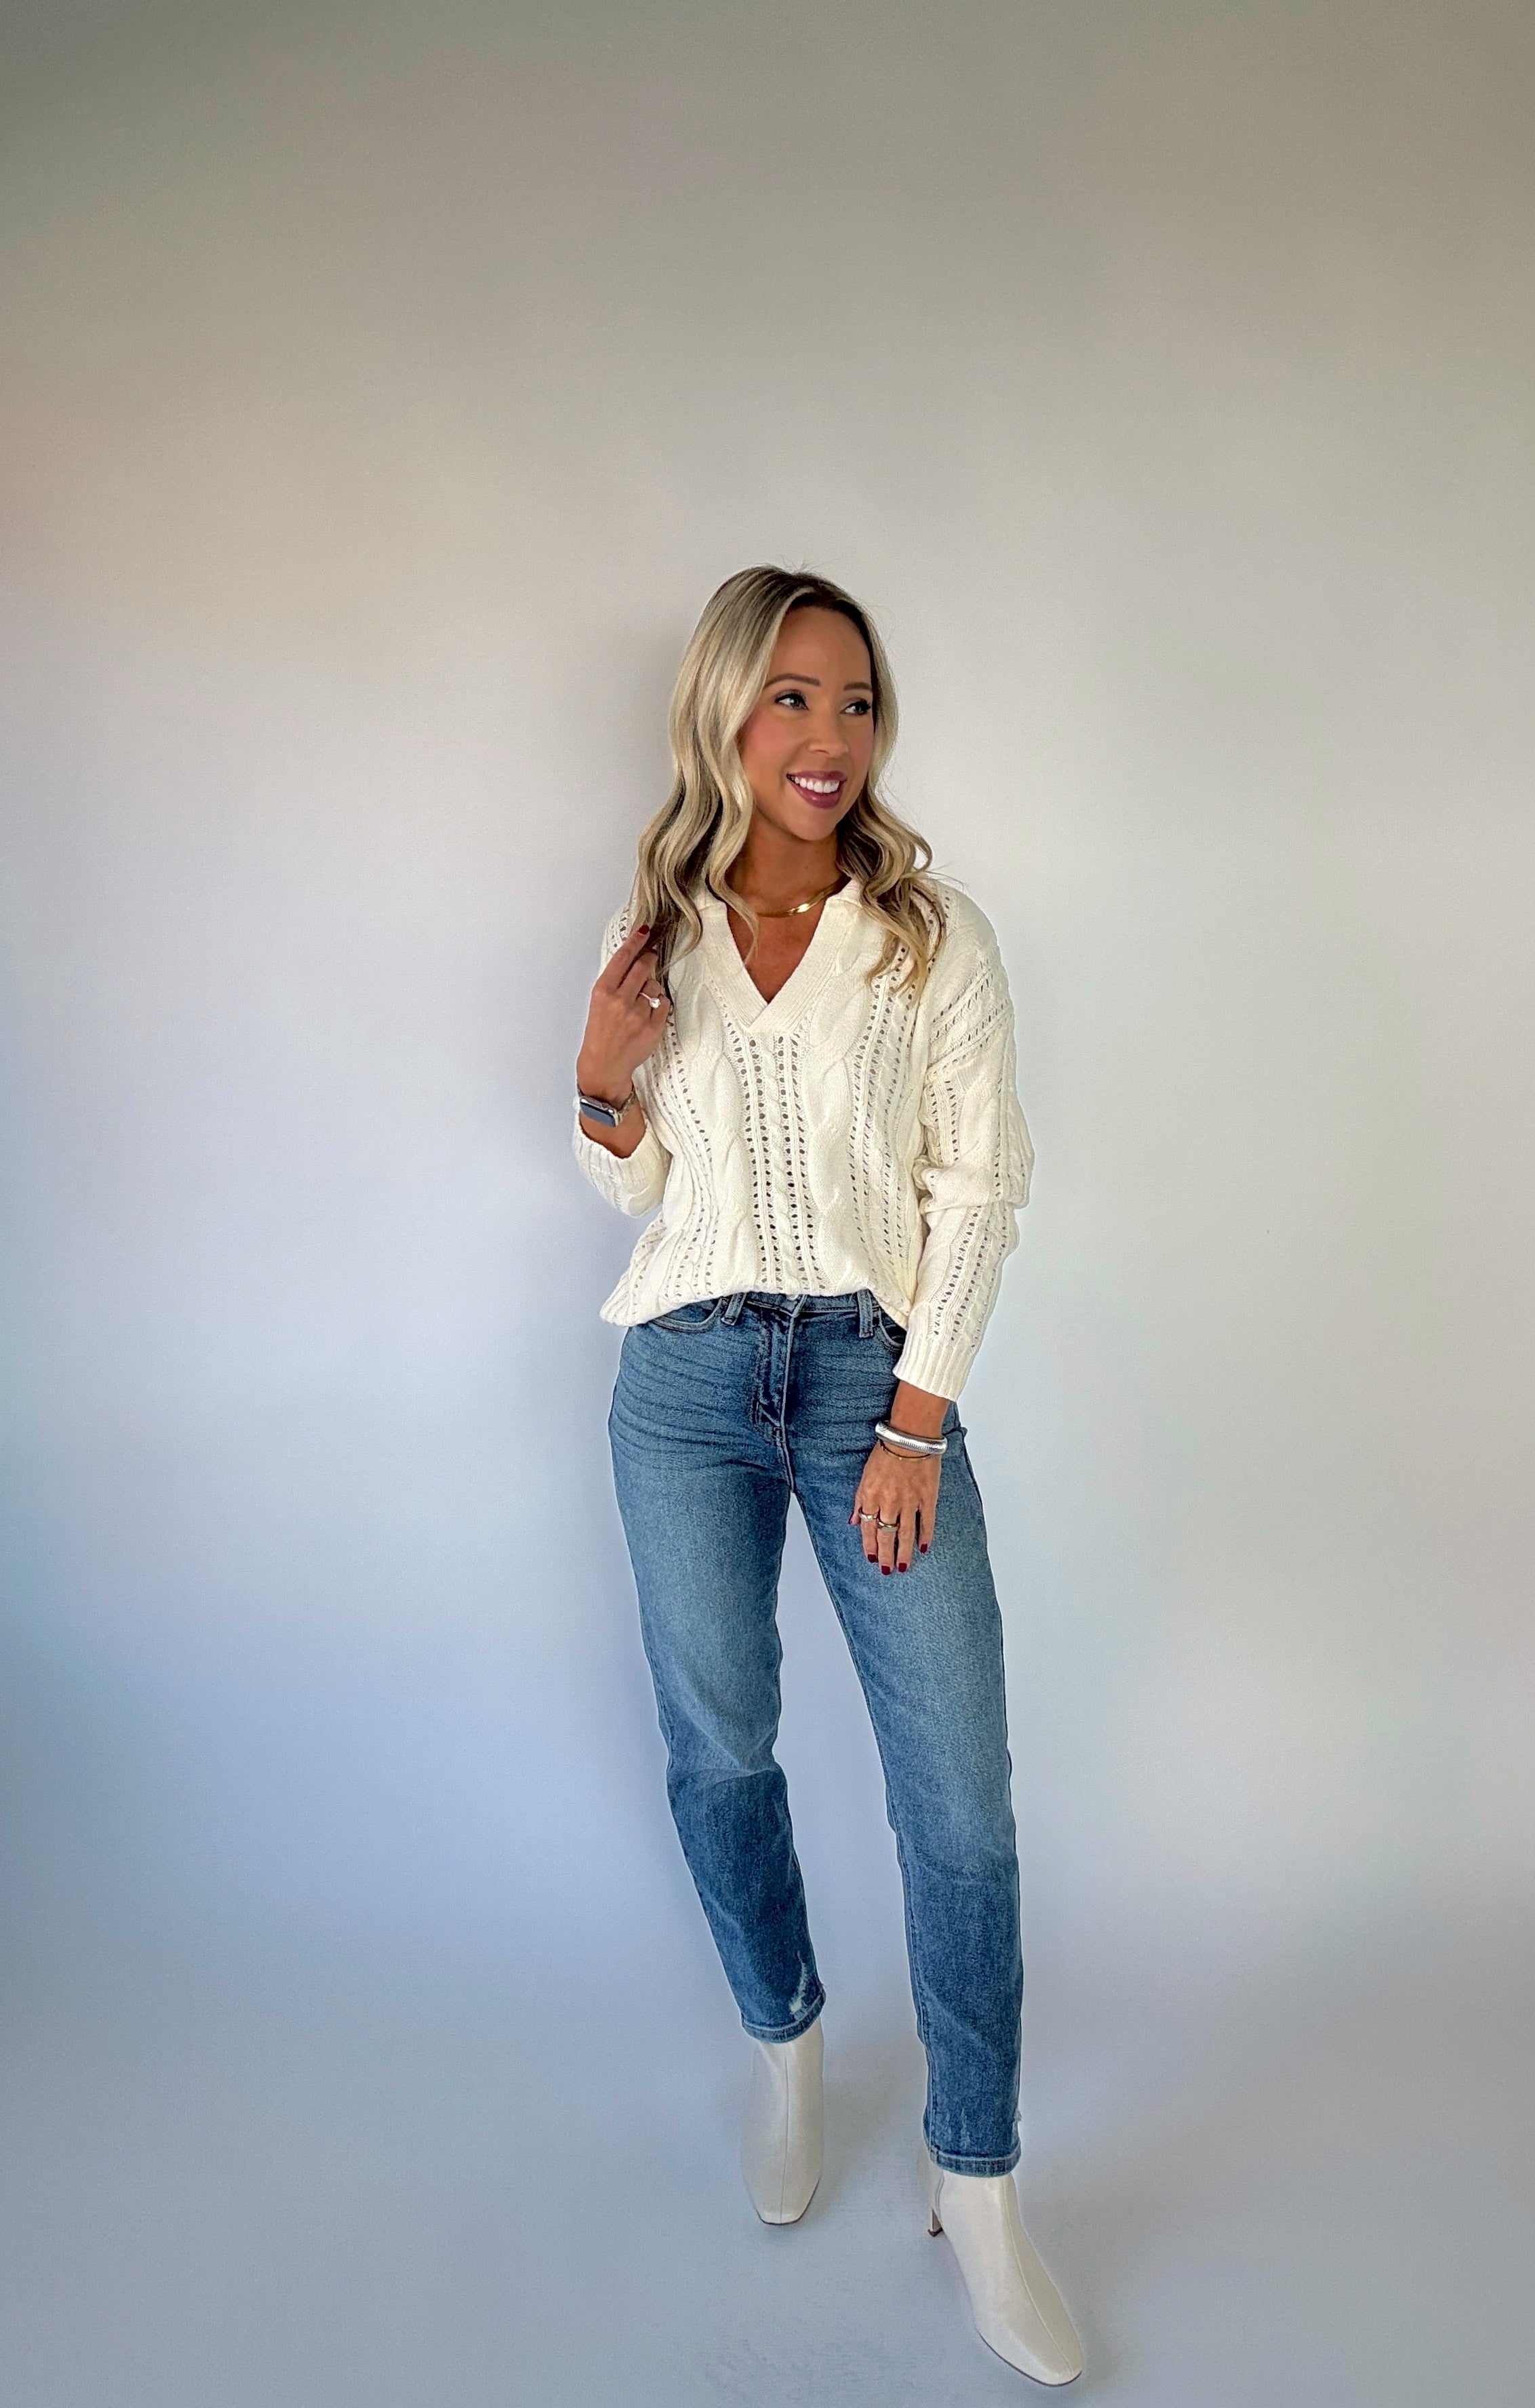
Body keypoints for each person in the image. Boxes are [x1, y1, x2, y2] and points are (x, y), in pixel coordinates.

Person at [572, 565, 1082, 2386]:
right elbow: (638, 1189)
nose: (830, 735)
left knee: (961, 1803)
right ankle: (784, 2044)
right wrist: (602, 1082)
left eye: (855, 700)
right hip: (685, 1384)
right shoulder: (658, 925)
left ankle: (982, 2185)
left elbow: (981, 1187)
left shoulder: (928, 937)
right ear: (724, 712)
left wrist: (917, 1419)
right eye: (791, 696)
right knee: (721, 1748)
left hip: (875, 1381)